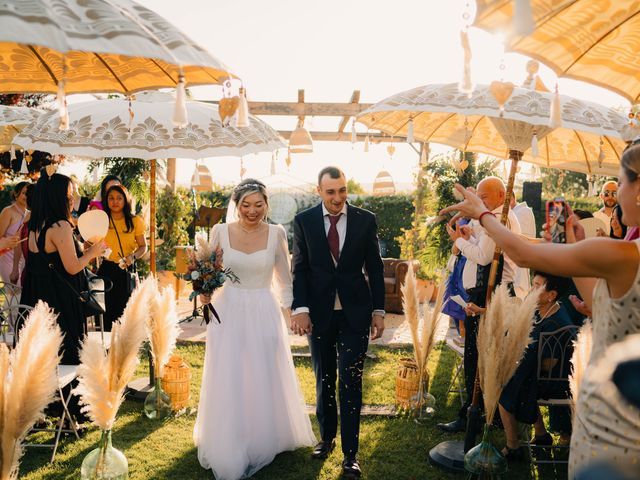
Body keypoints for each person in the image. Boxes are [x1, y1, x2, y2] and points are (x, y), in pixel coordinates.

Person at [440, 144, 640, 479]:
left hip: (614, 424)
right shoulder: (625, 258)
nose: (616, 193)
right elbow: (603, 304)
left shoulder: (626, 254)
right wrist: (576, 248)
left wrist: (484, 214)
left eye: (619, 183)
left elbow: (523, 254)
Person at [194, 179, 315, 480]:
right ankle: (230, 434)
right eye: (246, 205)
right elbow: (210, 272)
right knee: (230, 372)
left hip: (263, 309)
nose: (252, 211)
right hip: (228, 311)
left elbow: (285, 280)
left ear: (266, 204)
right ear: (237, 205)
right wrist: (204, 293)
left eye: (258, 205)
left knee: (262, 371)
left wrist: (291, 316)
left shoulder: (276, 234)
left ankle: (263, 435)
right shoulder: (220, 232)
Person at [290, 166, 385, 478]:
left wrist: (379, 311)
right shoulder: (303, 221)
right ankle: (327, 438)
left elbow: (375, 267)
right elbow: (300, 269)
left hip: (356, 314)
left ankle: (350, 455)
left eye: (342, 190)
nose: (337, 197)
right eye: (331, 191)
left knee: (351, 380)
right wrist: (300, 308)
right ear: (319, 191)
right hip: (318, 314)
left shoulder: (365, 219)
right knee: (324, 378)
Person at [437, 176, 521, 434]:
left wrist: (459, 242)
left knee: (478, 356)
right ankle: (484, 413)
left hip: (491, 294)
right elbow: (485, 249)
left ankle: (475, 415)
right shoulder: (491, 218)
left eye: (484, 196)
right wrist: (471, 237)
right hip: (484, 291)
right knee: (477, 354)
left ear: (500, 196)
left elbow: (484, 257)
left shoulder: (499, 218)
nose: (479, 201)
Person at [20, 170, 106, 364]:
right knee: (65, 360)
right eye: (69, 194)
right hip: (60, 303)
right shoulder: (60, 226)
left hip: (38, 298)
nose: (72, 198)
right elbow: (73, 267)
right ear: (57, 197)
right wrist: (93, 253)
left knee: (42, 363)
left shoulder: (35, 224)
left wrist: (83, 250)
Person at [495, 272, 575, 460]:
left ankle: (513, 447)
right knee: (516, 376)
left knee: (503, 388)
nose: (531, 289)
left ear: (551, 295)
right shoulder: (544, 310)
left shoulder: (555, 323)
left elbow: (548, 364)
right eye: (532, 284)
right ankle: (541, 435)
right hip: (544, 375)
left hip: (556, 381)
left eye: (537, 286)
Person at [97, 185, 146, 332]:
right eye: (111, 198)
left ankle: (125, 349)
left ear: (126, 200)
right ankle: (107, 350)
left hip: (126, 270)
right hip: (106, 270)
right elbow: (89, 243)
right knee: (106, 313)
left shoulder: (135, 221)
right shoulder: (101, 219)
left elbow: (143, 246)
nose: (115, 201)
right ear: (106, 200)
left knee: (126, 314)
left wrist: (133, 257)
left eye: (119, 198)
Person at [0, 181, 29, 284]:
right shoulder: (8, 211)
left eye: (29, 194)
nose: (27, 196)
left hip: (25, 259)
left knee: (23, 294)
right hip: (8, 258)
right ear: (16, 194)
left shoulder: (30, 214)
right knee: (14, 292)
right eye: (24, 193)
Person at [10, 183, 35, 286]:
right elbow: (18, 241)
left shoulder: (28, 214)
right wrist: (15, 268)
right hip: (30, 272)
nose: (25, 197)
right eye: (24, 193)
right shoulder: (28, 217)